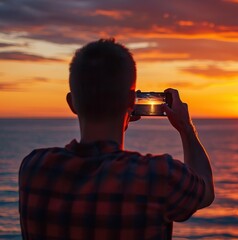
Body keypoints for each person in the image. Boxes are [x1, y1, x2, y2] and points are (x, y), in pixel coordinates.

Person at [18, 39, 215, 240]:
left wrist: (119, 119)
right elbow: (205, 189)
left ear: (72, 103)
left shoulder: (35, 168)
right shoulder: (157, 176)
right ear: (131, 102)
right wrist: (186, 128)